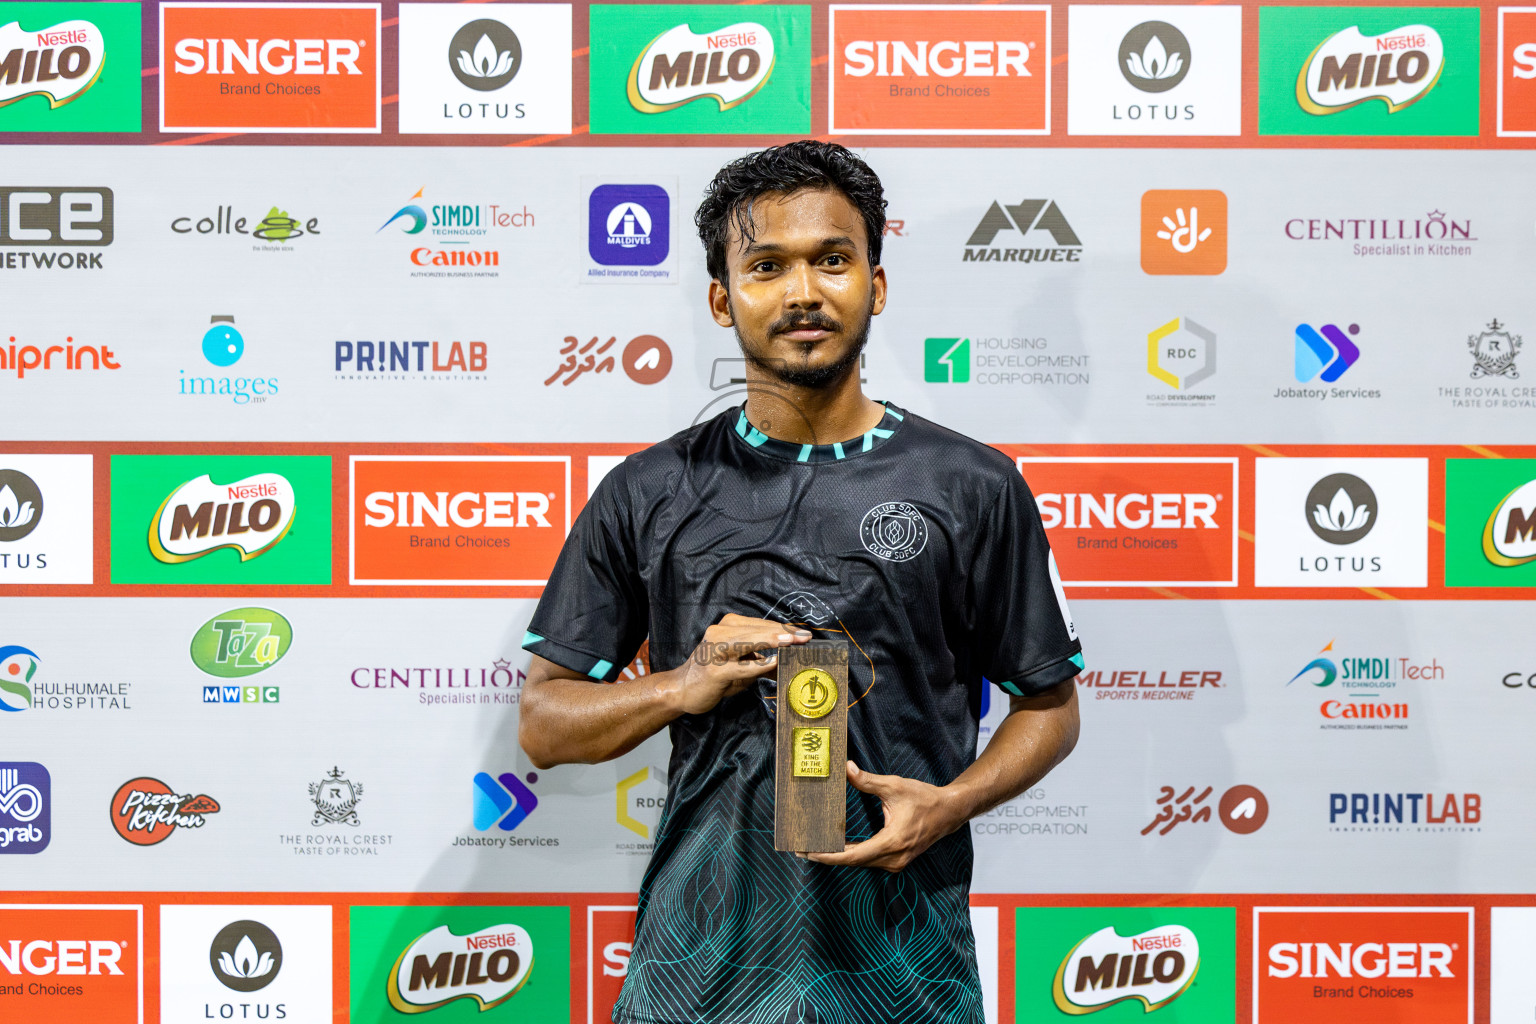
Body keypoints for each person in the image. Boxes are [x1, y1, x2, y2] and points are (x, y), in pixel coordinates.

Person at [519, 141, 1083, 1024]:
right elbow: (546, 726)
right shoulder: (648, 490)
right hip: (700, 973)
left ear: (877, 284)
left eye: (832, 259)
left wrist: (951, 803)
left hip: (905, 973)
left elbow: (1050, 706)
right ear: (722, 298)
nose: (803, 293)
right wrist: (683, 685)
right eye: (766, 266)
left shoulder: (972, 485)